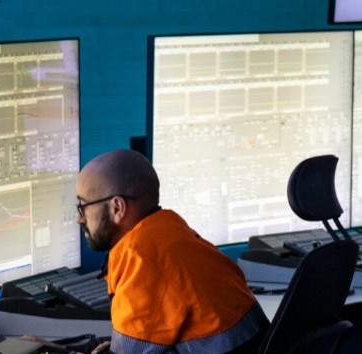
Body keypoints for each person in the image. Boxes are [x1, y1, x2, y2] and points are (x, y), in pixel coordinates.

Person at [75, 149, 269, 354]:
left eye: (83, 206)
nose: (79, 219)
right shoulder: (172, 232)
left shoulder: (142, 260)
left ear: (117, 208)